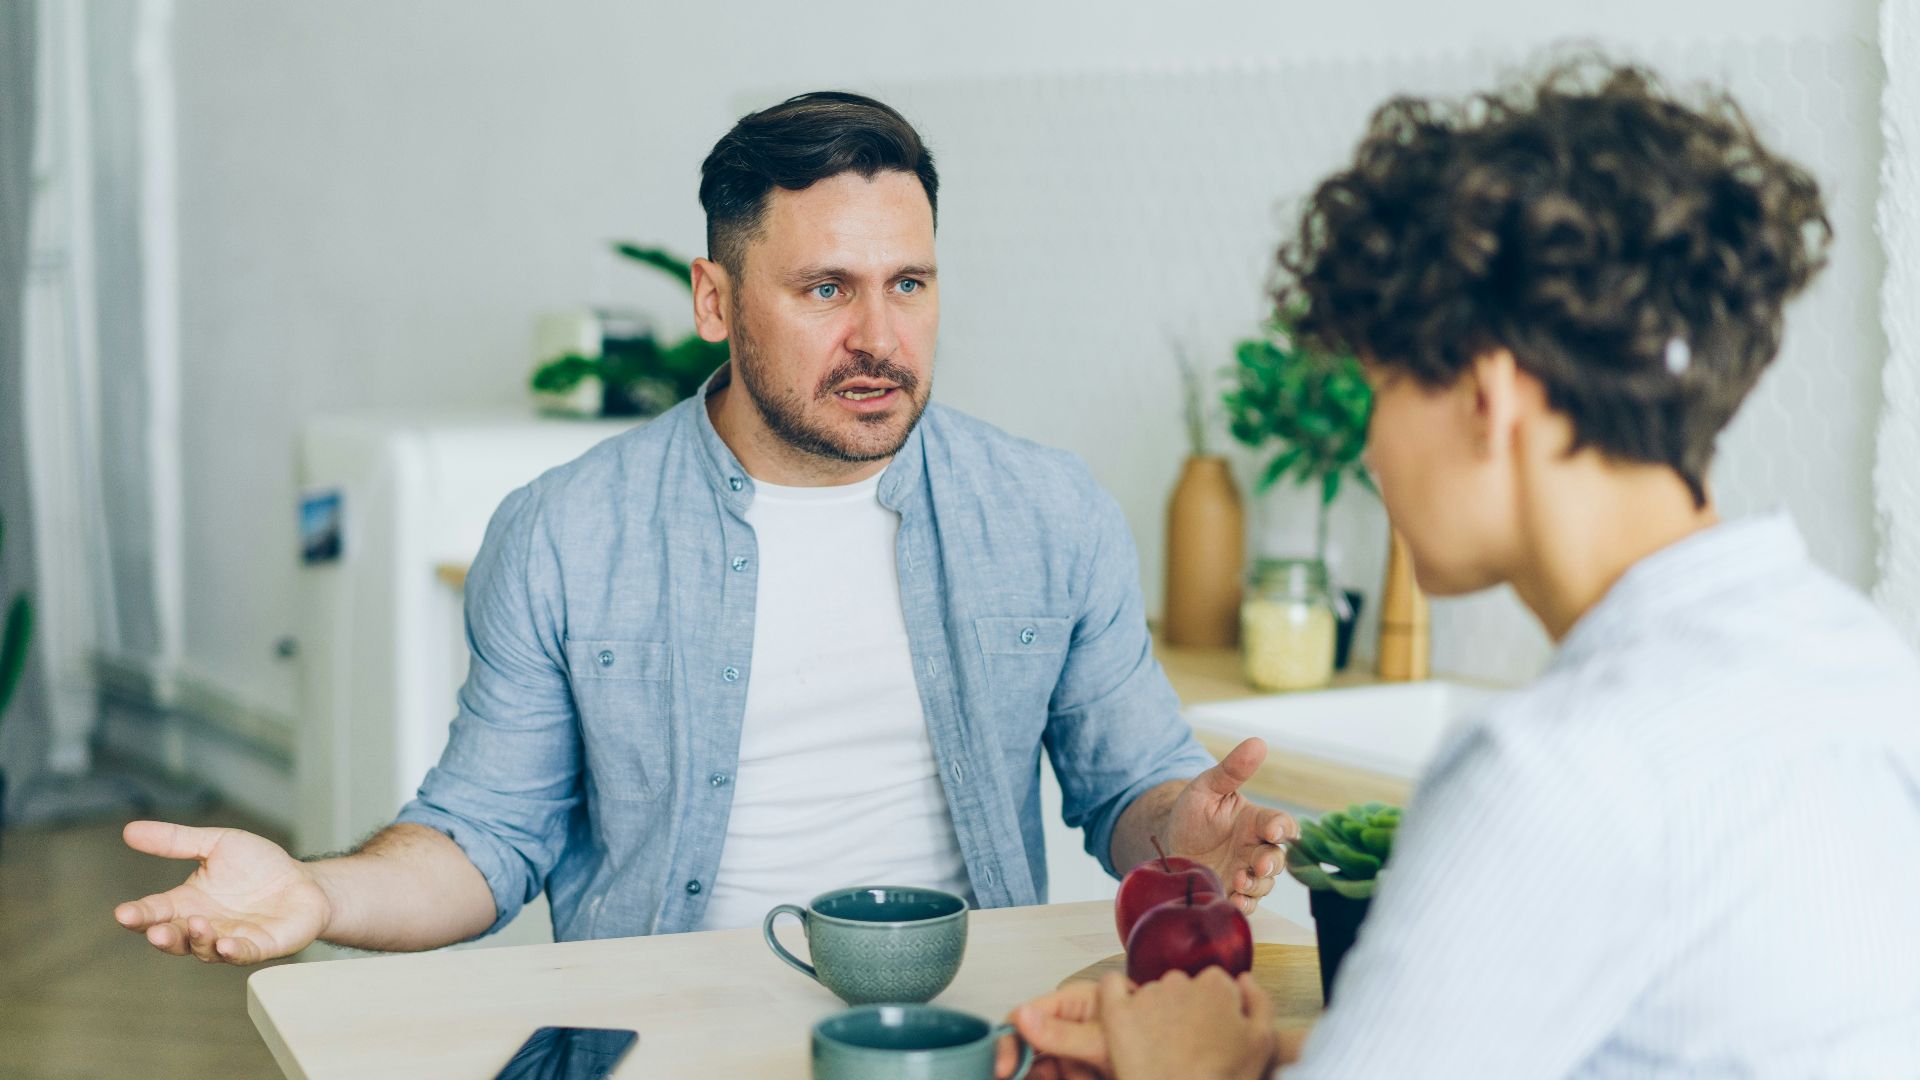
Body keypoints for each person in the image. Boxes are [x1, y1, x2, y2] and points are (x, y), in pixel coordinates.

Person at [111, 91, 1297, 965]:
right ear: (715, 299)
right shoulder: (567, 534)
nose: (880, 338)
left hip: (964, 1029)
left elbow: (1128, 790)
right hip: (664, 1030)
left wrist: (1181, 827)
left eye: (911, 285)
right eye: (826, 289)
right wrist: (318, 894)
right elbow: (483, 840)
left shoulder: (1048, 513)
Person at [1000, 58, 1920, 1079]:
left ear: (1488, 399)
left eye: (1382, 388)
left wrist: (1189, 1065)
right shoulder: (1856, 659)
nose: (1369, 451)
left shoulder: (1553, 773)